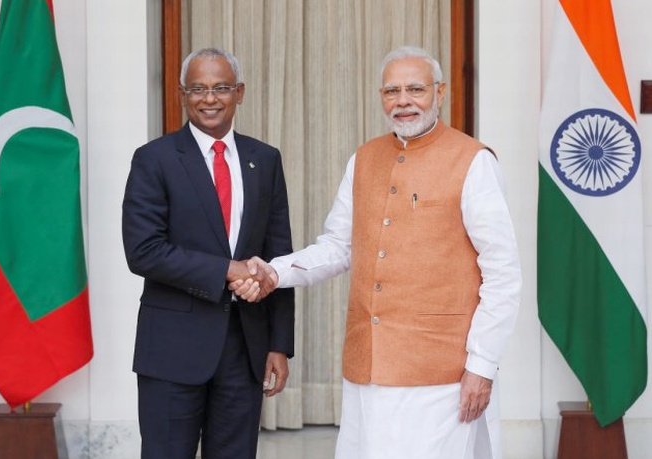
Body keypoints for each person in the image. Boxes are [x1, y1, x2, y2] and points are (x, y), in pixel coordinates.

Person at [231, 46, 522, 459]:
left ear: (440, 92)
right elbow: (337, 245)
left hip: (441, 373)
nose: (403, 101)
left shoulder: (473, 162)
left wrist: (482, 365)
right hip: (367, 367)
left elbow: (503, 274)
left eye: (415, 89)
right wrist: (274, 273)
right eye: (392, 91)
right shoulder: (364, 158)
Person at [122, 47, 295, 459]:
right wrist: (227, 270)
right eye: (197, 88)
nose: (209, 98)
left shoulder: (265, 160)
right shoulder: (154, 159)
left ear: (240, 93)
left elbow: (279, 258)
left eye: (220, 87)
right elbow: (143, 251)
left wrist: (279, 344)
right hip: (171, 352)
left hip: (245, 349)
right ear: (183, 94)